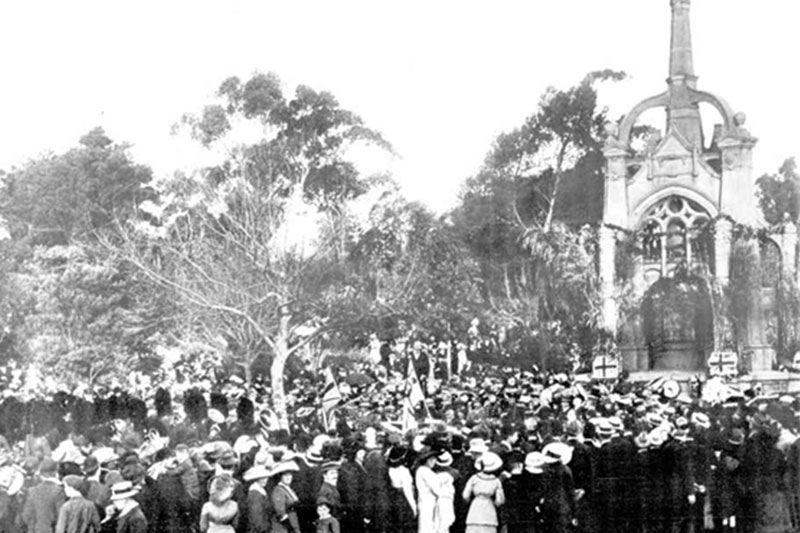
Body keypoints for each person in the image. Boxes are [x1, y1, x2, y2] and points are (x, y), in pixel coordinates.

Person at [462, 451, 505, 533]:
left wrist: (469, 501)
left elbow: (465, 495)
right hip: (489, 510)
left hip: (475, 509)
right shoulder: (496, 481)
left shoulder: (474, 478)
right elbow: (500, 501)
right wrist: (494, 503)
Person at [21, 459, 66, 533]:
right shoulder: (59, 491)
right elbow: (61, 516)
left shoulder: (32, 490)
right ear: (55, 473)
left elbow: (26, 515)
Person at [386, 446, 416, 533]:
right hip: (403, 500)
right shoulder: (404, 471)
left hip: (392, 497)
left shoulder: (389, 469)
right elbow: (408, 492)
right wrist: (414, 508)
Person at [415, 447, 443, 533]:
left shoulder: (421, 470)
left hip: (426, 500)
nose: (434, 461)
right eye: (432, 459)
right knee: (427, 525)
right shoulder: (425, 471)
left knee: (426, 524)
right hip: (428, 500)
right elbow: (437, 489)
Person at [270, 461, 300, 533]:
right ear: (280, 477)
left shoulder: (288, 489)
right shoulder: (278, 490)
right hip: (283, 527)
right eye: (285, 475)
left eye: (290, 475)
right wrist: (290, 528)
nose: (288, 477)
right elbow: (280, 511)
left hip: (292, 521)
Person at [243, 465, 270, 533]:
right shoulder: (255, 494)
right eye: (262, 478)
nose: (265, 480)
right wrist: (263, 529)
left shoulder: (261, 490)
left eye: (266, 478)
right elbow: (256, 517)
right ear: (257, 479)